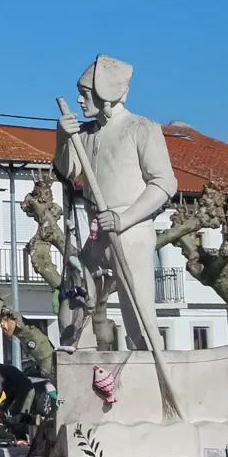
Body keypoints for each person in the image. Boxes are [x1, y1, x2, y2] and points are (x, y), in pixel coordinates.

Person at [55, 55, 177, 352]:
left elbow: (164, 183)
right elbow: (66, 170)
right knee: (75, 293)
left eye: (85, 94)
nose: (80, 101)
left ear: (105, 94)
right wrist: (62, 138)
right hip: (97, 230)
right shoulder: (84, 135)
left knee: (137, 309)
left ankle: (149, 362)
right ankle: (76, 353)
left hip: (129, 229)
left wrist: (124, 219)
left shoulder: (140, 128)